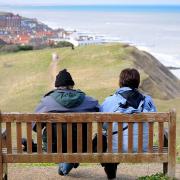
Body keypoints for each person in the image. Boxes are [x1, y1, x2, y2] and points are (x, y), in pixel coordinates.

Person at [33, 69, 99, 176]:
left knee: (50, 139)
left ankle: (66, 161)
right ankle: (71, 159)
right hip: (80, 145)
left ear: (57, 86)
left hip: (53, 146)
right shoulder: (86, 100)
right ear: (71, 85)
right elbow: (99, 110)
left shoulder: (47, 101)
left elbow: (36, 126)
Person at [100, 68, 156, 179]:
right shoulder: (148, 100)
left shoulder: (110, 100)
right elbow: (152, 120)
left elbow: (104, 124)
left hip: (116, 149)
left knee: (107, 137)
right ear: (138, 83)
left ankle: (110, 165)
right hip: (144, 147)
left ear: (120, 82)